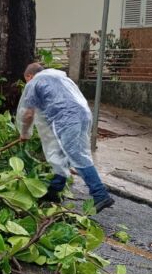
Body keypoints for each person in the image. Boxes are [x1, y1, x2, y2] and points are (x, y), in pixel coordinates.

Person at [16, 63, 114, 212]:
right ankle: (54, 191)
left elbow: (29, 114)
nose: (27, 83)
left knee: (76, 155)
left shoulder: (34, 82)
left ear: (29, 76)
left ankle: (100, 194)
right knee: (62, 151)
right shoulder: (60, 78)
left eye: (26, 80)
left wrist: (24, 133)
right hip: (83, 114)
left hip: (66, 119)